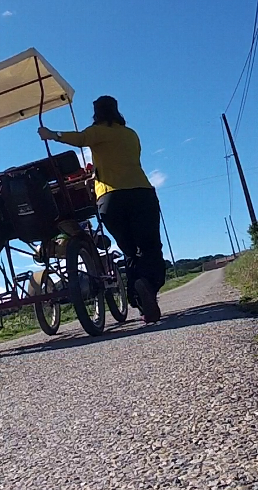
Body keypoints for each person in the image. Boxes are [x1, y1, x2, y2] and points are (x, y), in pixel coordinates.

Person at [38, 95, 165, 323]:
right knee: (150, 247)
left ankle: (139, 297)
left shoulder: (97, 132)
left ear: (96, 114)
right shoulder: (130, 134)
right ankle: (149, 288)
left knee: (129, 250)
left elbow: (80, 139)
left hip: (110, 198)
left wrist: (51, 135)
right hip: (141, 193)